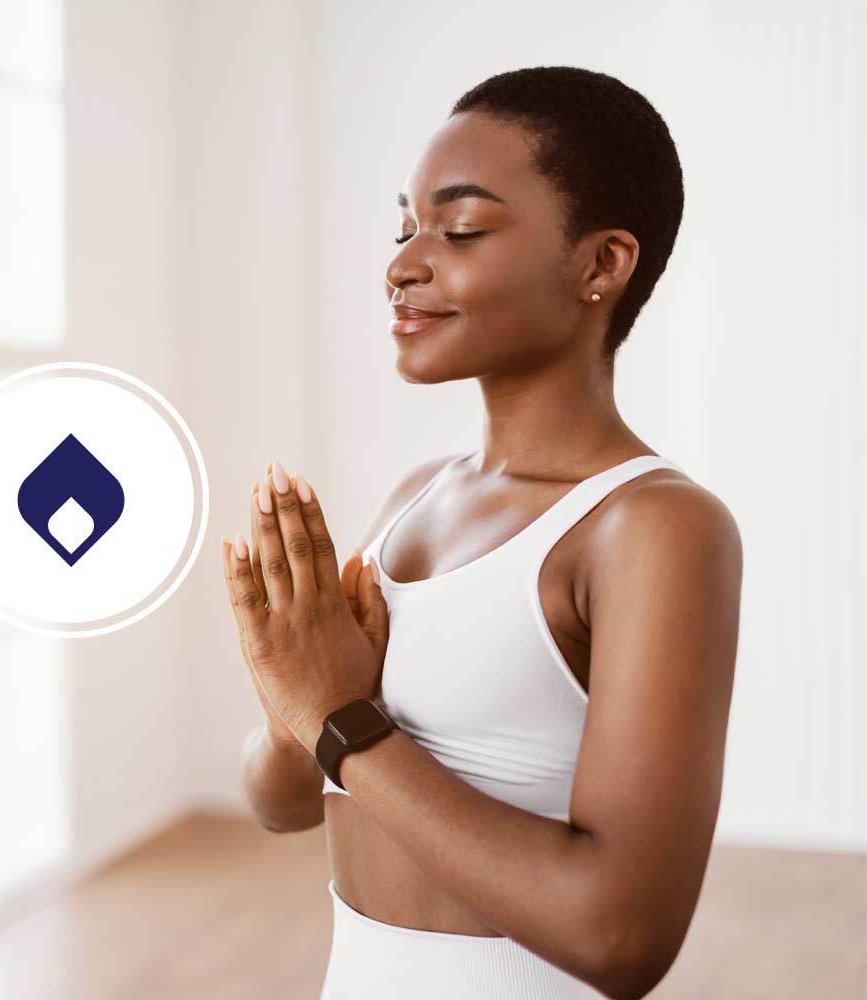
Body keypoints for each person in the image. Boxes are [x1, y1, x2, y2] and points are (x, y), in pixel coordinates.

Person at [225, 65, 743, 1000]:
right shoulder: (416, 501)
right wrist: (289, 704)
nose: (403, 264)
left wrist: (343, 721)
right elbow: (282, 802)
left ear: (600, 265)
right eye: (404, 227)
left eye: (459, 228)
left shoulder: (654, 527)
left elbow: (620, 936)